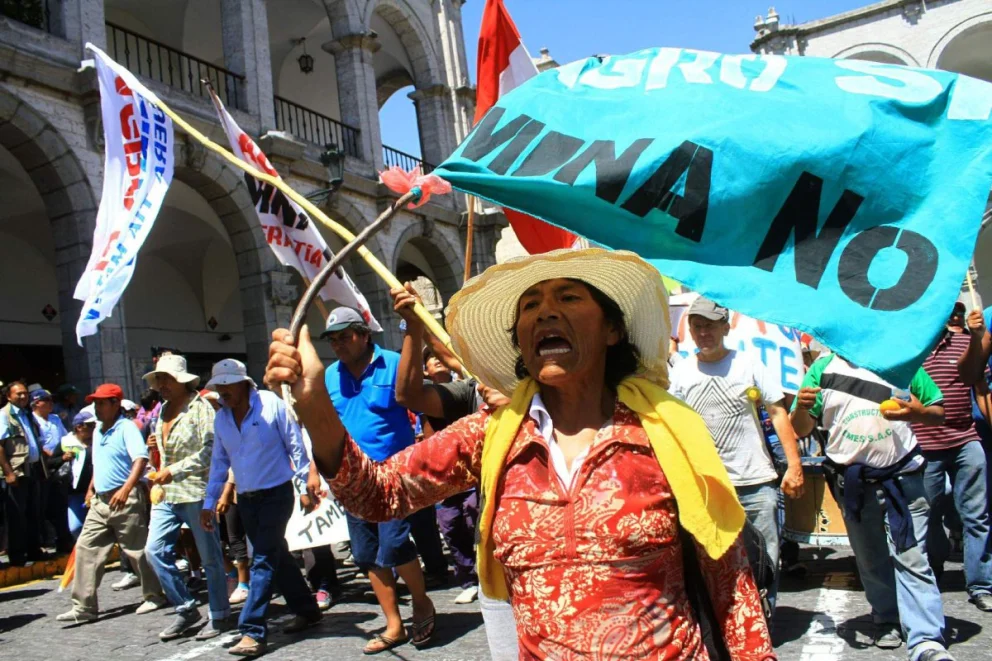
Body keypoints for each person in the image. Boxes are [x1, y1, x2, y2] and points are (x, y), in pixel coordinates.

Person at [266, 248, 775, 660]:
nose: (546, 312)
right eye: (530, 307)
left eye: (569, 298)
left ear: (612, 329)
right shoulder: (491, 436)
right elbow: (377, 495)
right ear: (522, 343)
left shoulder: (667, 430)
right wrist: (315, 407)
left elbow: (729, 583)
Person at [791, 353, 954, 660]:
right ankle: (887, 620)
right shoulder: (822, 370)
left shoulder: (902, 361)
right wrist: (800, 407)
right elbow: (800, 428)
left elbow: (937, 411)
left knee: (913, 559)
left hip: (904, 480)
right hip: (852, 484)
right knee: (870, 560)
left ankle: (926, 640)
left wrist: (916, 411)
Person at [669, 296, 804, 613]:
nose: (704, 333)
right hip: (708, 487)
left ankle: (764, 622)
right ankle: (728, 625)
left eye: (711, 326)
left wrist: (794, 465)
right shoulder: (681, 373)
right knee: (713, 559)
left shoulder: (750, 364)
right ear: (690, 329)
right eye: (697, 326)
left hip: (756, 482)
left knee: (765, 557)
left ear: (724, 327)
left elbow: (778, 412)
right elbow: (672, 425)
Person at [315, 306, 438, 654]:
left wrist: (428, 452)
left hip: (394, 473)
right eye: (333, 339)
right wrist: (315, 470)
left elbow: (424, 405)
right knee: (366, 554)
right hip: (353, 478)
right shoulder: (328, 377)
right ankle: (394, 625)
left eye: (345, 336)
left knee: (395, 545)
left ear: (364, 333)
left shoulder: (396, 361)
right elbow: (327, 426)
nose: (339, 344)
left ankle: (421, 603)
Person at [201, 358, 320, 657]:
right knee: (276, 555)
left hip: (276, 495)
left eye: (227, 384)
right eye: (219, 386)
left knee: (263, 559)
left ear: (244, 384)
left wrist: (306, 484)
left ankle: (252, 630)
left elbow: (295, 445)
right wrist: (209, 500)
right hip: (247, 499)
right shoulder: (221, 419)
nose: (222, 391)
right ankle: (307, 608)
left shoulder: (271, 404)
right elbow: (219, 462)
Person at [391, 284, 482, 605]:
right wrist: (415, 328)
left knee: (476, 518)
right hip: (446, 478)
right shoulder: (470, 392)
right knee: (451, 526)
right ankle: (469, 576)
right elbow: (407, 395)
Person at [56, 383, 166, 623]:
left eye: (102, 402)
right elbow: (99, 464)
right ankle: (84, 607)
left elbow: (140, 459)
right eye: (95, 402)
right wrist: (90, 489)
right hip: (100, 500)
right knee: (86, 549)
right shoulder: (97, 431)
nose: (97, 406)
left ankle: (154, 595)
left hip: (124, 498)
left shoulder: (126, 427)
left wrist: (126, 489)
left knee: (136, 551)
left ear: (116, 404)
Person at [142, 354, 232, 641]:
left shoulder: (200, 408)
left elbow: (212, 449)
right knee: (154, 551)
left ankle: (219, 614)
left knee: (210, 558)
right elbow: (166, 452)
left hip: (195, 491)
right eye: (159, 379)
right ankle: (186, 607)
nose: (161, 384)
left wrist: (175, 469)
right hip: (166, 493)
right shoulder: (162, 410)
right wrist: (156, 452)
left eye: (166, 379)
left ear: (182, 381)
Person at [910, 301, 992, 612]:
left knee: (977, 515)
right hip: (925, 444)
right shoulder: (911, 347)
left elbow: (974, 380)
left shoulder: (962, 339)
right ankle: (932, 569)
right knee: (928, 514)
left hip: (965, 439)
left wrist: (976, 338)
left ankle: (981, 584)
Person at [0, 381, 47, 566]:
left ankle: (34, 550)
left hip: (33, 469)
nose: (23, 397)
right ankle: (17, 555)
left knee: (33, 512)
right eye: (18, 394)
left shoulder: (27, 414)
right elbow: (1, 446)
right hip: (17, 471)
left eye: (25, 393)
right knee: (16, 515)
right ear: (9, 396)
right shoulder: (4, 415)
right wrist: (8, 472)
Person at [31, 388, 73, 553]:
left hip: (60, 464)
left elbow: (64, 437)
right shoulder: (33, 420)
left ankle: (63, 539)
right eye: (46, 400)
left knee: (59, 503)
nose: (50, 403)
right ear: (36, 402)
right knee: (44, 505)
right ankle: (47, 539)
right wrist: (53, 455)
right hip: (44, 465)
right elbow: (38, 444)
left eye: (51, 400)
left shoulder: (55, 419)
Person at [61, 411, 96, 539]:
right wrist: (63, 458)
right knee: (76, 527)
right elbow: (51, 462)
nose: (94, 428)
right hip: (75, 492)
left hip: (95, 490)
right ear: (79, 427)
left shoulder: (98, 441)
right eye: (90, 425)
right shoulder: (66, 442)